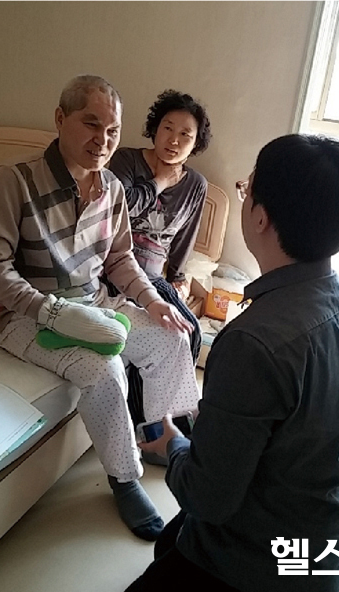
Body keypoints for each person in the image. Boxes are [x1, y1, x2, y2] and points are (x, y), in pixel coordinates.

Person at [125, 134, 339, 591]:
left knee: (183, 531)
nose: (244, 195)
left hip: (254, 565)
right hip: (322, 545)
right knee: (172, 540)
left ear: (260, 216)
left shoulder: (251, 341)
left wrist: (173, 447)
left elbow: (207, 499)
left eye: (246, 188)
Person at [0, 75, 201, 542]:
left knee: (173, 334)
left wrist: (153, 301)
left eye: (113, 131)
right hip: (26, 316)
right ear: (60, 119)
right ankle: (124, 479)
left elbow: (119, 259)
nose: (103, 140)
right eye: (91, 124)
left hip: (94, 302)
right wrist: (50, 312)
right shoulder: (16, 180)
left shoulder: (111, 187)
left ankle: (157, 436)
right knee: (104, 368)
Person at [108, 90, 211, 425]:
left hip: (153, 275)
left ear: (195, 143)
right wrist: (158, 182)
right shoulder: (126, 160)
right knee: (158, 333)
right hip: (112, 266)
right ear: (155, 128)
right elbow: (115, 208)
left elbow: (185, 236)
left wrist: (178, 277)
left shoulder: (196, 185)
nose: (174, 140)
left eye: (186, 135)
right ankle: (145, 423)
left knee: (188, 330)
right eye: (168, 128)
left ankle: (168, 426)